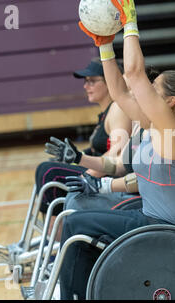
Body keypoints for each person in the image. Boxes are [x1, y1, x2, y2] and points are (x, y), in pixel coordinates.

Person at [57, 0, 175, 300]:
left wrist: (130, 22)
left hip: (159, 228)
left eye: (155, 88)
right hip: (146, 218)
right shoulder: (155, 126)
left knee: (74, 221)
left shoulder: (174, 131)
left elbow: (135, 75)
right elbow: (120, 92)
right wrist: (103, 45)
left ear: (170, 102)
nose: (147, 89)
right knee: (78, 221)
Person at [34, 58, 132, 217]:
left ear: (110, 82)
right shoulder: (106, 113)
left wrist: (87, 178)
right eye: (86, 81)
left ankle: (55, 237)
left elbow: (116, 154)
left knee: (48, 171)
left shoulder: (117, 109)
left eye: (92, 81)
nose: (86, 86)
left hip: (108, 176)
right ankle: (51, 234)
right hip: (101, 169)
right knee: (49, 167)